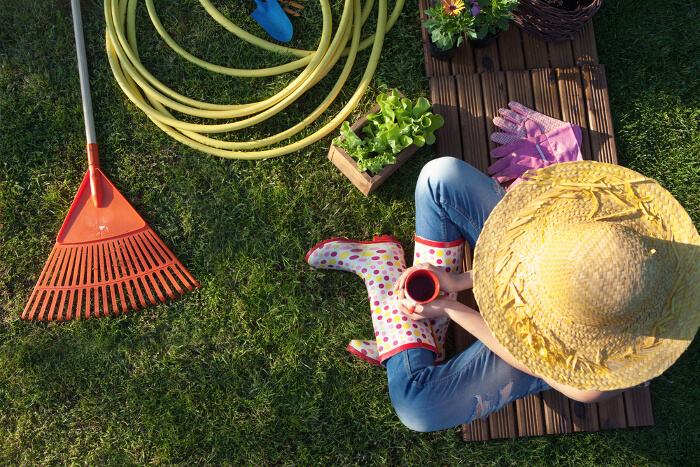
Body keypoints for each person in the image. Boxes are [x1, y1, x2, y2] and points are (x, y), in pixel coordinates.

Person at [306, 157, 699, 432]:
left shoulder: (596, 372)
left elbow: (525, 355)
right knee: (438, 176)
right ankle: (412, 333)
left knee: (418, 407)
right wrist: (460, 282)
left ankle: (385, 281)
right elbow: (537, 257)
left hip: (547, 350)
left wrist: (451, 308)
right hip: (535, 254)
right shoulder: (626, 242)